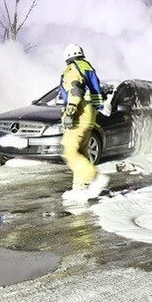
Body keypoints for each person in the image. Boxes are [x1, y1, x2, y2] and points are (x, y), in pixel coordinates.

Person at [59, 43, 108, 198]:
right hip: (90, 115)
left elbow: (76, 89)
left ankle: (94, 177)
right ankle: (81, 187)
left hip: (80, 115)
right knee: (82, 151)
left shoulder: (72, 68)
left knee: (69, 151)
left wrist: (70, 111)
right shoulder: (87, 66)